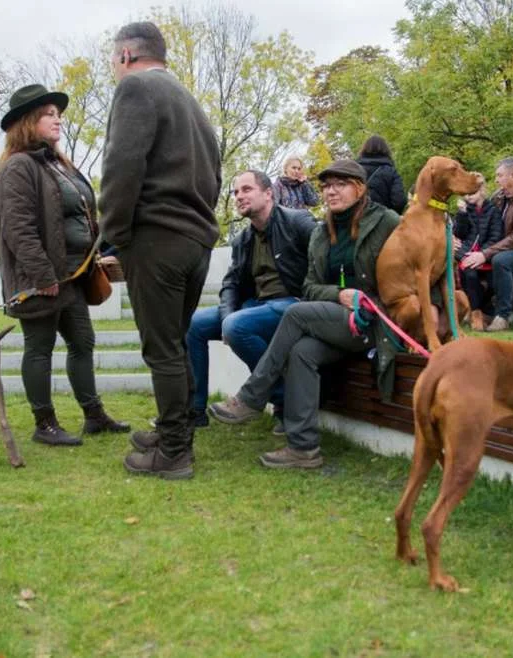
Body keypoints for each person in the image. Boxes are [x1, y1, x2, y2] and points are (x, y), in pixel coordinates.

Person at [209, 159, 400, 470]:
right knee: (301, 351)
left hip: (376, 322)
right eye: (326, 186)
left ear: (360, 188)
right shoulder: (323, 232)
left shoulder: (387, 222)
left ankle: (251, 397)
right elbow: (309, 286)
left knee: (295, 314)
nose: (330, 191)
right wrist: (338, 294)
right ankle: (304, 448)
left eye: (340, 184)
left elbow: (414, 268)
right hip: (337, 318)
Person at [99, 22, 222, 479]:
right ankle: (178, 429)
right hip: (195, 239)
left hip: (156, 238)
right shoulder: (191, 102)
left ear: (127, 55)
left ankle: (173, 452)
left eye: (114, 60)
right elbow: (215, 174)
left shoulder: (135, 89)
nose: (114, 69)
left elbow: (120, 167)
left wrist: (115, 235)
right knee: (175, 342)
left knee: (163, 349)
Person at [0, 83, 131, 447]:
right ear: (28, 122)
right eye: (49, 115)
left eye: (58, 115)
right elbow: (18, 228)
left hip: (74, 274)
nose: (58, 121)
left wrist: (98, 250)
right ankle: (45, 424)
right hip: (42, 278)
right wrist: (42, 275)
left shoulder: (58, 164)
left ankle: (94, 416)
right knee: (39, 347)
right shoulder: (18, 167)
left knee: (82, 341)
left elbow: (83, 213)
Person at [177, 170, 314, 435]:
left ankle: (284, 403)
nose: (239, 196)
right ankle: (194, 411)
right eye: (236, 192)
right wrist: (227, 315)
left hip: (294, 303)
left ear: (268, 193)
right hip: (257, 306)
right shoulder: (244, 239)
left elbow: (323, 261)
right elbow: (230, 284)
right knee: (194, 325)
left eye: (246, 189)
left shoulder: (298, 222)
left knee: (238, 327)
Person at [460, 157, 513, 332]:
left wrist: (485, 253)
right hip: (497, 248)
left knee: (499, 260)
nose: (496, 180)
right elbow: (483, 222)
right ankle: (484, 310)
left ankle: (502, 317)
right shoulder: (499, 196)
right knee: (471, 264)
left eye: (500, 175)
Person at [453, 180, 504, 331]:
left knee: (493, 282)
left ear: (482, 191)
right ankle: (475, 314)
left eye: (472, 192)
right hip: (465, 253)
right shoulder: (465, 211)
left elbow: (495, 237)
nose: (469, 197)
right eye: (467, 193)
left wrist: (482, 254)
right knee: (470, 276)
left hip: (485, 255)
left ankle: (481, 311)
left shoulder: (493, 211)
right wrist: (461, 214)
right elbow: (459, 234)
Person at [357, 134, 407, 214]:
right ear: (386, 150)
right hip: (383, 220)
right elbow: (399, 202)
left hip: (357, 219)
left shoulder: (354, 170)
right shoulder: (391, 171)